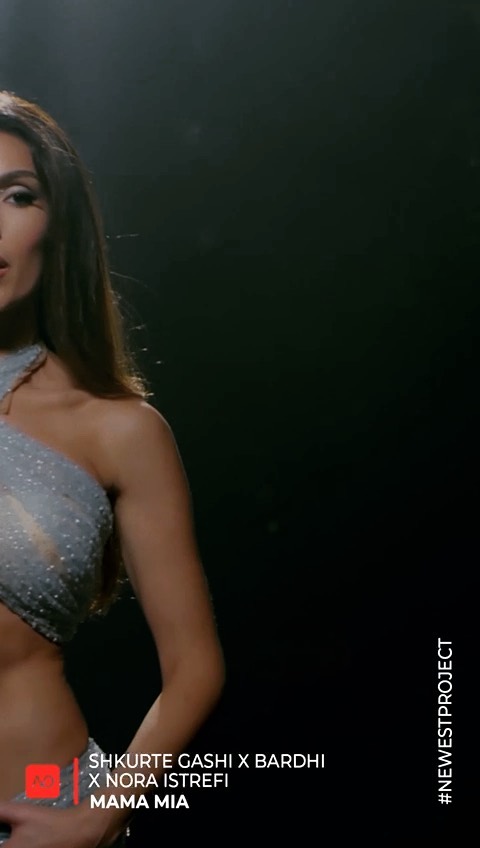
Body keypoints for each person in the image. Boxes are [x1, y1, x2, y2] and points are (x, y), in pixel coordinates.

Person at [0, 90, 225, 847]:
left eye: (16, 196)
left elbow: (195, 667)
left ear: (57, 224)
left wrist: (98, 816)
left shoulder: (119, 429)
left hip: (45, 804)